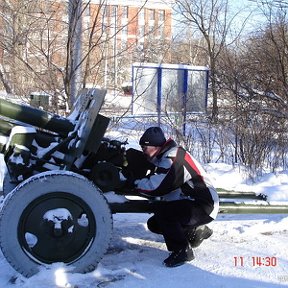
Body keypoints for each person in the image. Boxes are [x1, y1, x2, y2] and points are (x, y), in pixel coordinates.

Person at [134, 126, 219, 268]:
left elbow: (158, 187)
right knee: (155, 224)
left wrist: (134, 183)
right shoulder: (167, 155)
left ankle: (182, 251)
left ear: (155, 147)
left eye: (144, 148)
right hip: (193, 204)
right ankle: (197, 231)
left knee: (164, 214)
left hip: (203, 205)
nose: (143, 151)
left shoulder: (172, 158)